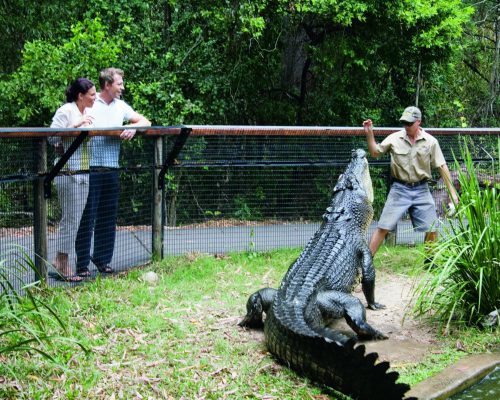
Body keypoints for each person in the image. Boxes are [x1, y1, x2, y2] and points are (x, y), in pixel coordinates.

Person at [75, 67, 151, 277]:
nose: (122, 87)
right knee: (86, 217)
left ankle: (102, 260)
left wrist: (133, 128)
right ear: (107, 85)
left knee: (108, 216)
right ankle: (82, 263)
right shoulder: (90, 102)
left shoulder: (120, 106)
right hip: (89, 167)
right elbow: (74, 123)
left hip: (112, 167)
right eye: (119, 84)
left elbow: (145, 121)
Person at [363, 106, 459, 257]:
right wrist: (369, 134)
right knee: (383, 227)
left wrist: (453, 193)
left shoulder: (430, 142)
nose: (406, 126)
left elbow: (442, 166)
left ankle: (430, 263)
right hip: (399, 189)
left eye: (409, 123)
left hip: (421, 189)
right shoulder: (395, 138)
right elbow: (375, 152)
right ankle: (366, 262)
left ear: (418, 122)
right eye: (404, 123)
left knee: (432, 228)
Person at [49, 78, 97, 282]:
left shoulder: (88, 112)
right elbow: (52, 137)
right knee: (70, 219)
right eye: (92, 95)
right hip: (68, 173)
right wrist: (76, 125)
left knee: (75, 220)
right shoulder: (66, 111)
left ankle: (60, 260)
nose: (95, 98)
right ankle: (62, 262)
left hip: (84, 171)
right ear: (80, 95)